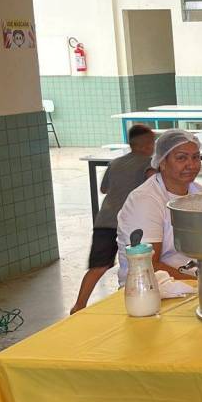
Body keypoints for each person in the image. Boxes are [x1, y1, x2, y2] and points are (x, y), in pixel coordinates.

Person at [70, 125, 156, 313]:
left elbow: (104, 189)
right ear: (146, 145)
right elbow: (154, 184)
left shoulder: (115, 163)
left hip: (105, 220)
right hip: (130, 223)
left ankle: (79, 305)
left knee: (98, 266)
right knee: (139, 263)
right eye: (152, 142)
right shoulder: (149, 164)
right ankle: (139, 300)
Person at [116, 129, 202, 284]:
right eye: (181, 158)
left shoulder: (200, 193)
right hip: (149, 287)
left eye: (196, 157)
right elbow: (148, 265)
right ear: (162, 162)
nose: (191, 165)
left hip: (191, 280)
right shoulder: (145, 200)